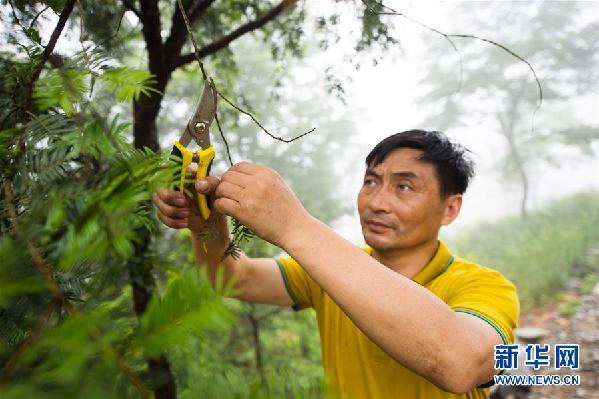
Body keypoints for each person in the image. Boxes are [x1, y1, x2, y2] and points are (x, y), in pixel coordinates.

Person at [153, 129, 519, 399]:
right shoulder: (330, 269)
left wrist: (294, 225)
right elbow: (233, 277)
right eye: (370, 182)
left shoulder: (484, 287)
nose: (377, 202)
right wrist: (207, 225)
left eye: (404, 187)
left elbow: (461, 362)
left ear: (450, 208)